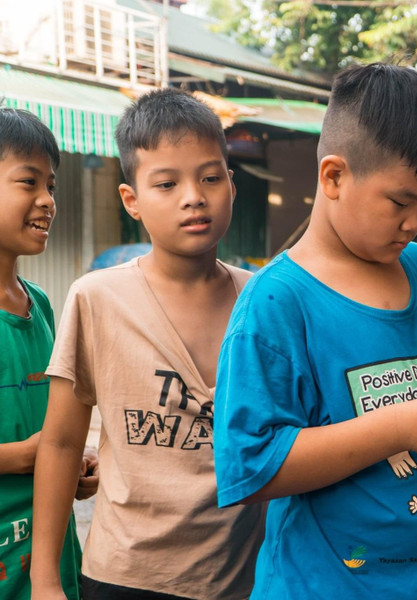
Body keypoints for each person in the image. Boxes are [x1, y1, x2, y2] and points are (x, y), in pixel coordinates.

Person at [212, 62, 417, 599]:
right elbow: (250, 467)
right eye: (400, 202)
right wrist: (403, 427)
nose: (415, 221)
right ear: (333, 177)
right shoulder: (278, 302)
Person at [30, 88, 265, 600]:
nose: (193, 196)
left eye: (210, 177)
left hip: (242, 579)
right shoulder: (97, 299)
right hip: (125, 575)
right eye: (167, 183)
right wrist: (45, 579)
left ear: (231, 182)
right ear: (131, 200)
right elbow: (63, 442)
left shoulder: (263, 302)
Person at [0, 108, 96, 600]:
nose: (46, 201)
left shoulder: (40, 303)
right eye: (28, 181)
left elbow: (56, 434)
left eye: (52, 186)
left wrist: (73, 462)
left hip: (51, 567)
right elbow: (34, 449)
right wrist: (21, 456)